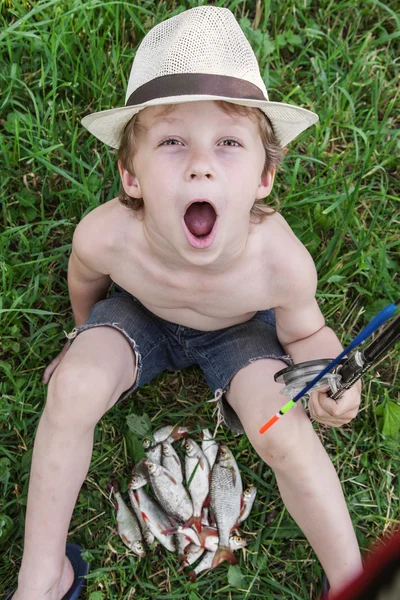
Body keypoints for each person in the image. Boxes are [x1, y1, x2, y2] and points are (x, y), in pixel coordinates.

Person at [12, 6, 364, 600]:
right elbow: (85, 281)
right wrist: (83, 338)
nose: (201, 165)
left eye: (228, 143)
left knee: (282, 430)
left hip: (241, 335)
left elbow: (306, 334)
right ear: (132, 177)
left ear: (263, 177)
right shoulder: (107, 236)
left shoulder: (279, 261)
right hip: (138, 314)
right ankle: (44, 573)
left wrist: (333, 376)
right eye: (173, 142)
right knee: (71, 389)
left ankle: (354, 576)